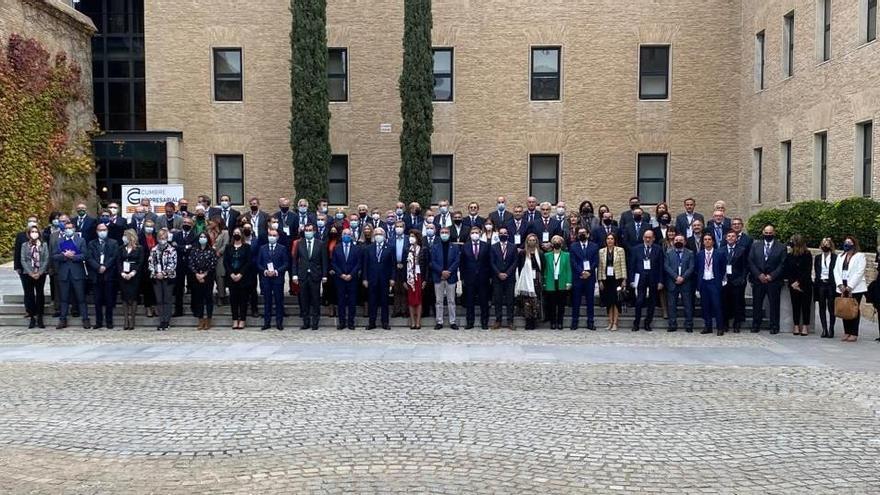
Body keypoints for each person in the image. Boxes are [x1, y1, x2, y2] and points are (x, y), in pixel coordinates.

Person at [748, 224, 787, 334]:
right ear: (763, 233)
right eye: (766, 233)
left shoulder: (781, 247)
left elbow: (782, 264)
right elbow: (751, 261)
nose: (768, 235)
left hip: (773, 281)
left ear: (774, 233)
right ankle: (756, 325)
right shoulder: (755, 246)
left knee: (774, 304)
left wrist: (772, 276)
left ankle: (774, 326)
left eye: (770, 233)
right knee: (757, 304)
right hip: (758, 280)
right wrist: (759, 274)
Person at [53, 221, 90, 329]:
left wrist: (73, 256)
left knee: (81, 298)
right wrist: (64, 255)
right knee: (64, 298)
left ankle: (85, 319)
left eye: (70, 228)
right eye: (66, 228)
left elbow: (85, 255)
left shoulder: (81, 240)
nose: (68, 230)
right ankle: (62, 319)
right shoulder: (59, 241)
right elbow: (54, 256)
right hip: (64, 273)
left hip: (77, 273)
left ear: (74, 229)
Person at [292, 224, 328, 330]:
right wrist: (294, 274)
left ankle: (315, 322)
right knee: (304, 300)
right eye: (306, 230)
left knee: (315, 299)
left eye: (310, 230)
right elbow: (295, 261)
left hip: (315, 275)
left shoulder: (320, 244)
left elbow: (324, 261)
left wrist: (324, 275)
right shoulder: (299, 243)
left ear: (314, 231)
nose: (308, 232)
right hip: (303, 275)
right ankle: (306, 322)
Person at [628, 230, 664, 331]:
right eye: (646, 237)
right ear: (643, 238)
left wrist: (661, 281)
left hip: (653, 278)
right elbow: (632, 266)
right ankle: (636, 322)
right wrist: (631, 280)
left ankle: (648, 322)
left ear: (653, 238)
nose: (648, 239)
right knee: (639, 301)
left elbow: (661, 266)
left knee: (652, 302)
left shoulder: (658, 249)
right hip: (640, 278)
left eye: (650, 237)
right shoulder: (636, 249)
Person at [86, 223, 119, 329]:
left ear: (107, 231)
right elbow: (89, 257)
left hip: (109, 274)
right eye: (100, 230)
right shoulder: (91, 243)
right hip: (96, 274)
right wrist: (98, 267)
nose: (102, 232)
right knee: (97, 300)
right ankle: (98, 322)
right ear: (96, 231)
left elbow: (114, 257)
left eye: (104, 230)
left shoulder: (113, 242)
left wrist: (105, 266)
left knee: (109, 300)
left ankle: (109, 321)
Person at [834, 235, 866, 342]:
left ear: (854, 244)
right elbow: (836, 271)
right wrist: (840, 285)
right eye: (845, 242)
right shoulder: (840, 256)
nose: (846, 244)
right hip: (842, 286)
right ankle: (846, 331)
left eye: (849, 242)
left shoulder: (860, 256)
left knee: (853, 308)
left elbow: (859, 272)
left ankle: (854, 333)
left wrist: (850, 286)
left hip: (855, 287)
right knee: (844, 308)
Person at [362, 227, 394, 330]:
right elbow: (365, 265)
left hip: (385, 278)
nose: (378, 236)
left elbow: (392, 265)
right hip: (372, 278)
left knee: (385, 301)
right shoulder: (368, 248)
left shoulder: (389, 248)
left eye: (380, 234)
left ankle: (385, 322)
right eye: (376, 234)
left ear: (384, 236)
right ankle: (372, 322)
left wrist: (392, 278)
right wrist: (365, 278)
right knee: (372, 301)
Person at [695, 232, 727, 335]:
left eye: (709, 239)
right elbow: (697, 269)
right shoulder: (699, 254)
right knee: (705, 306)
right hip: (703, 282)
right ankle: (707, 326)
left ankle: (720, 327)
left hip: (714, 282)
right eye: (705, 239)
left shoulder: (719, 254)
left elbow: (723, 268)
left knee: (717, 305)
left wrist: (721, 280)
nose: (707, 241)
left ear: (713, 242)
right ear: (703, 242)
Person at [460, 226, 491, 329]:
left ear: (480, 234)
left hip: (483, 278)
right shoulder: (465, 246)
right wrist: (462, 278)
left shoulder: (486, 246)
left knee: (484, 301)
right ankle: (470, 322)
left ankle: (484, 322)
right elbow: (462, 263)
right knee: (470, 301)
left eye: (476, 232)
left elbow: (489, 262)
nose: (474, 234)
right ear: (470, 234)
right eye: (472, 232)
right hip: (469, 278)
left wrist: (489, 276)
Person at [259, 229, 290, 330]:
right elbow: (259, 263)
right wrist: (265, 271)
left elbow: (286, 263)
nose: (272, 237)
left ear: (277, 237)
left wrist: (277, 271)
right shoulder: (262, 248)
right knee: (267, 301)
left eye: (274, 235)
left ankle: (279, 322)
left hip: (278, 278)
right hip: (266, 278)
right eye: (270, 235)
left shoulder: (282, 248)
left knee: (279, 301)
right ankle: (266, 322)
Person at [569, 226, 598, 330]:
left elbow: (596, 261)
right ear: (577, 235)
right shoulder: (573, 246)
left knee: (590, 301)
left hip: (590, 277)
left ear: (588, 234)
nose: (582, 234)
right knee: (576, 301)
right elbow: (573, 262)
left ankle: (590, 322)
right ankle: (574, 322)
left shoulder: (594, 246)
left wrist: (588, 272)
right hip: (578, 277)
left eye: (584, 232)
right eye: (580, 233)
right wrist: (581, 271)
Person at [331, 228, 361, 330]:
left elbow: (358, 264)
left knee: (352, 301)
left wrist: (351, 275)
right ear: (341, 235)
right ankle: (342, 322)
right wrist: (341, 274)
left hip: (352, 279)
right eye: (344, 234)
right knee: (341, 301)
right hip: (340, 278)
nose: (346, 236)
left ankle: (351, 322)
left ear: (351, 235)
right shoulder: (337, 248)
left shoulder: (356, 248)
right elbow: (334, 263)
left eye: (348, 234)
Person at [431, 226, 461, 329]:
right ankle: (439, 321)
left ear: (449, 234)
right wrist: (441, 272)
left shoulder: (455, 247)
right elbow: (433, 262)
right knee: (438, 301)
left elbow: (457, 261)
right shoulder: (435, 247)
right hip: (438, 276)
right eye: (442, 232)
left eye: (446, 232)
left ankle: (452, 321)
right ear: (439, 234)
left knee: (451, 301)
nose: (444, 234)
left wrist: (449, 271)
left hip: (451, 276)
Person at [148, 228, 177, 331]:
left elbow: (173, 264)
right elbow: (151, 263)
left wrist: (164, 273)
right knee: (159, 300)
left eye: (164, 238)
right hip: (156, 278)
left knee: (167, 300)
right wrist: (156, 273)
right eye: (160, 238)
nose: (162, 240)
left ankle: (167, 321)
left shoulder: (171, 250)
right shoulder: (154, 250)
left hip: (168, 278)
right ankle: (161, 320)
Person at [665, 234, 695, 333]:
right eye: (676, 240)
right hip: (672, 282)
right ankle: (672, 324)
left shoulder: (690, 253)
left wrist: (683, 277)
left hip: (686, 282)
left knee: (688, 305)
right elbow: (666, 267)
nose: (678, 241)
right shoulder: (668, 253)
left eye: (681, 240)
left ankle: (689, 324)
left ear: (685, 242)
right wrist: (676, 277)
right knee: (672, 305)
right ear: (673, 241)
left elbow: (691, 267)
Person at [20, 224, 48, 328]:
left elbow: (46, 259)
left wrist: (40, 272)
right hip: (28, 273)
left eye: (36, 232)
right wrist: (30, 272)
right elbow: (23, 259)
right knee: (30, 295)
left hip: (40, 273)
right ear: (28, 234)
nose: (34, 234)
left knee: (40, 294)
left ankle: (40, 317)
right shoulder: (24, 245)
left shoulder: (43, 245)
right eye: (32, 232)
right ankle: (32, 317)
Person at [224, 227, 252, 329]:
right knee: (233, 300)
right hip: (232, 278)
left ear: (241, 234)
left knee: (243, 300)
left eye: (238, 233)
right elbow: (226, 262)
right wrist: (231, 273)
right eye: (235, 233)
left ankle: (243, 320)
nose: (236, 234)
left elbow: (248, 262)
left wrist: (240, 274)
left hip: (243, 278)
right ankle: (235, 320)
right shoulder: (228, 247)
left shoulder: (246, 247)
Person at [189, 231, 217, 330]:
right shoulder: (194, 250)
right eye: (201, 236)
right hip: (196, 278)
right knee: (199, 300)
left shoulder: (211, 251)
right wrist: (197, 274)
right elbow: (191, 263)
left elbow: (213, 264)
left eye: (204, 237)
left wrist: (204, 275)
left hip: (208, 278)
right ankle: (200, 320)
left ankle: (208, 320)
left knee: (208, 299)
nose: (202, 238)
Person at [785, 235, 813, 336]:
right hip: (793, 284)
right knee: (795, 305)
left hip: (805, 284)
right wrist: (792, 282)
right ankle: (796, 325)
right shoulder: (789, 255)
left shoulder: (807, 254)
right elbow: (787, 270)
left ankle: (805, 325)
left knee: (806, 306)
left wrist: (799, 282)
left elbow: (807, 271)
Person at [491, 226, 518, 330]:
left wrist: (507, 273)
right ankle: (498, 320)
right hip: (497, 277)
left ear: (508, 235)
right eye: (501, 233)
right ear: (498, 235)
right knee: (498, 300)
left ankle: (510, 321)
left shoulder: (513, 247)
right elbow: (492, 262)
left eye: (504, 233)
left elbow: (515, 262)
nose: (503, 235)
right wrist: (499, 273)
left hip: (509, 277)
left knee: (510, 300)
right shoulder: (493, 247)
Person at [598, 233, 626, 330]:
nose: (610, 240)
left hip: (617, 278)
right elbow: (600, 267)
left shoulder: (620, 250)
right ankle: (610, 322)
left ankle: (615, 322)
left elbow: (623, 265)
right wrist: (600, 280)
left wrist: (624, 279)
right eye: (608, 239)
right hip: (606, 279)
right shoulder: (601, 251)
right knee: (609, 301)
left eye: (612, 239)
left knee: (616, 301)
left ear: (615, 240)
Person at [721, 230, 748, 332]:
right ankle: (725, 324)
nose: (731, 238)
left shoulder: (742, 250)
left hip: (737, 281)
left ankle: (737, 324)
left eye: (733, 236)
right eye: (729, 236)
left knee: (737, 303)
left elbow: (745, 266)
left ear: (736, 238)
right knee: (724, 303)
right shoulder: (721, 250)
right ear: (726, 238)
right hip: (725, 281)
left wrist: (742, 278)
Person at [543, 235, 571, 329]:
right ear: (551, 243)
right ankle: (553, 322)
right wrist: (544, 281)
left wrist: (568, 282)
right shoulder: (547, 255)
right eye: (554, 241)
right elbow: (545, 270)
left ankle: (560, 322)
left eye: (558, 241)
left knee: (561, 304)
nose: (556, 242)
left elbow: (568, 269)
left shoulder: (567, 255)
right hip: (550, 281)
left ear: (562, 243)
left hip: (562, 281)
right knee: (552, 304)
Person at [515, 233, 544, 330]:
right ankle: (528, 320)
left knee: (535, 301)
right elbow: (519, 267)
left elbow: (543, 267)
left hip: (536, 279)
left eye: (533, 240)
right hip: (525, 279)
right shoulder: (522, 253)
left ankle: (534, 320)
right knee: (526, 301)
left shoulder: (540, 253)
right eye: (530, 240)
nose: (532, 242)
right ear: (527, 241)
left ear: (536, 241)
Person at [171, 217, 197, 317]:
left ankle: (195, 308)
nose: (186, 224)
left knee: (193, 287)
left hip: (190, 264)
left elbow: (193, 247)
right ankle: (178, 310)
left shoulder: (195, 235)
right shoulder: (177, 235)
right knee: (178, 288)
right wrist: (186, 247)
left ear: (192, 224)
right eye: (184, 222)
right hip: (179, 264)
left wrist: (179, 247)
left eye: (188, 222)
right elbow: (173, 246)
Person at [117, 230, 142, 330]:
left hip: (134, 274)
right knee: (124, 296)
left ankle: (132, 319)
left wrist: (133, 273)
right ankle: (126, 319)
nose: (124, 237)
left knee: (133, 296)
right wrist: (122, 273)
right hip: (123, 273)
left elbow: (140, 262)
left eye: (125, 236)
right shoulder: (121, 248)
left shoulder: (139, 248)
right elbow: (118, 261)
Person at [14, 216, 39, 317]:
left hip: (38, 268)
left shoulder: (40, 235)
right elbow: (17, 251)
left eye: (34, 221)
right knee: (28, 290)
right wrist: (17, 266)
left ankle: (38, 310)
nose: (32, 223)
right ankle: (29, 310)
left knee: (38, 290)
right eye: (30, 221)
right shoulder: (21, 235)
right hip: (24, 268)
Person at [814, 237, 837, 338]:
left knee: (831, 307)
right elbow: (816, 270)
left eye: (827, 244)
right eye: (823, 244)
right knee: (822, 307)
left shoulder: (835, 257)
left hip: (831, 284)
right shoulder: (818, 257)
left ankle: (831, 328)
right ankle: (824, 329)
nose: (825, 246)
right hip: (821, 284)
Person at [405, 230, 428, 329]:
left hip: (419, 276)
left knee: (418, 299)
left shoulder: (423, 249)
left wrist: (425, 280)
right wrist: (403, 280)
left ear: (417, 238)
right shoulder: (407, 249)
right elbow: (403, 264)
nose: (411, 238)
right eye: (410, 236)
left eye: (413, 236)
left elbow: (426, 266)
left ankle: (418, 322)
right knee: (411, 300)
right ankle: (412, 322)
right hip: (409, 277)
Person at [390, 220, 410, 317]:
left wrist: (404, 263)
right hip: (394, 266)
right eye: (397, 226)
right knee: (396, 289)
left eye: (400, 226)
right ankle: (396, 310)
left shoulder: (408, 239)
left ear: (404, 228)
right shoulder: (391, 239)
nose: (399, 228)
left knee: (405, 289)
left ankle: (404, 310)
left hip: (406, 267)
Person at [139, 220, 158, 318]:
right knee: (147, 288)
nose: (149, 228)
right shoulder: (140, 237)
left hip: (156, 265)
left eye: (151, 226)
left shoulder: (156, 236)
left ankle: (154, 306)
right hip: (144, 266)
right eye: (147, 226)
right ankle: (148, 307)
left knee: (155, 287)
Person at [208, 217, 229, 306]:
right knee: (209, 277)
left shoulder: (225, 233)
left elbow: (226, 244)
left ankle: (221, 297)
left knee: (220, 277)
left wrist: (219, 252)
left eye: (211, 222)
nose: (210, 223)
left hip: (220, 258)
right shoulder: (208, 232)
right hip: (209, 258)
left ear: (217, 222)